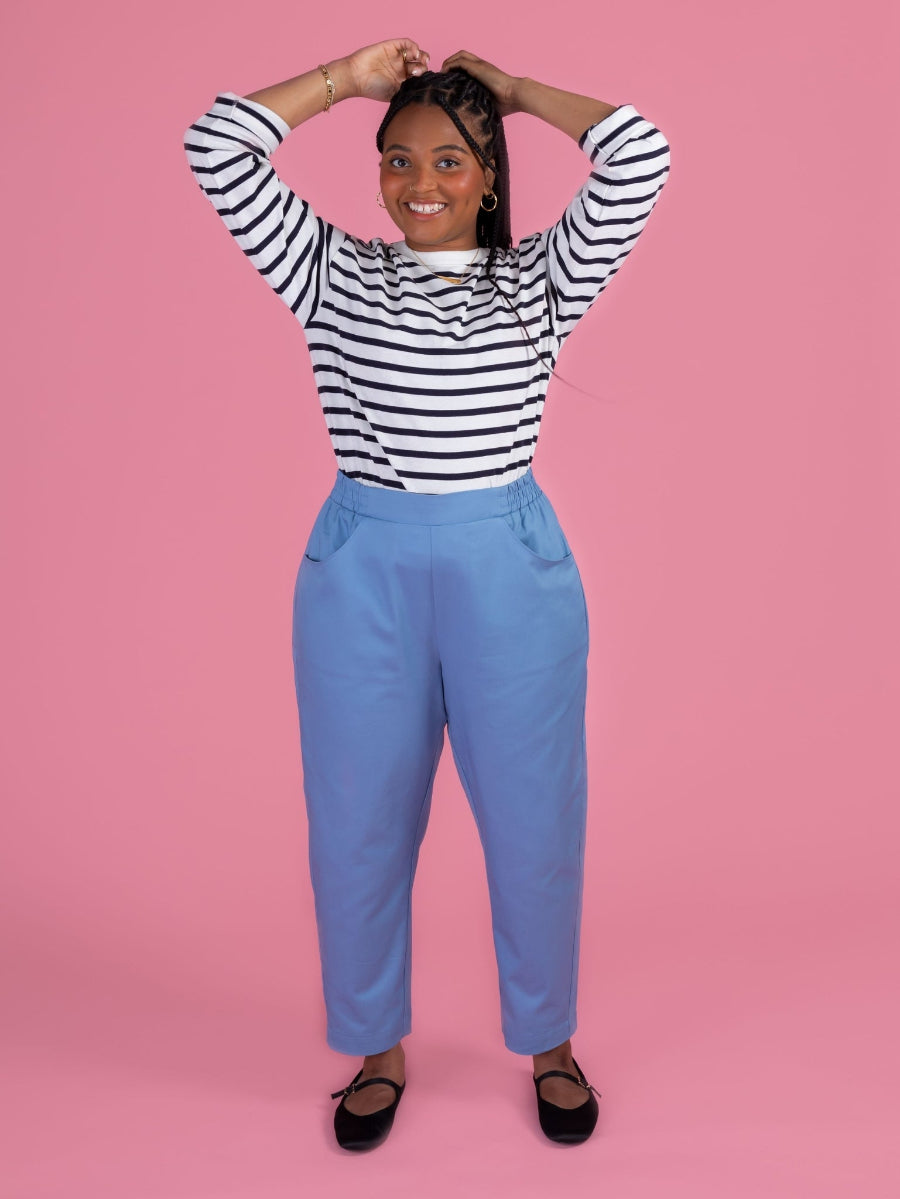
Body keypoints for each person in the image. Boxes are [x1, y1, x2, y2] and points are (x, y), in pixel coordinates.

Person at [183, 38, 670, 1151]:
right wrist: (344, 81)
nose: (421, 187)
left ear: (490, 173)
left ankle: (548, 1039)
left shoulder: (542, 277)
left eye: (450, 161)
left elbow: (639, 154)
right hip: (366, 571)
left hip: (509, 566)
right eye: (397, 162)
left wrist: (512, 91)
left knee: (536, 815)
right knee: (356, 822)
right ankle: (377, 1046)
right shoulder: (331, 270)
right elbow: (217, 144)